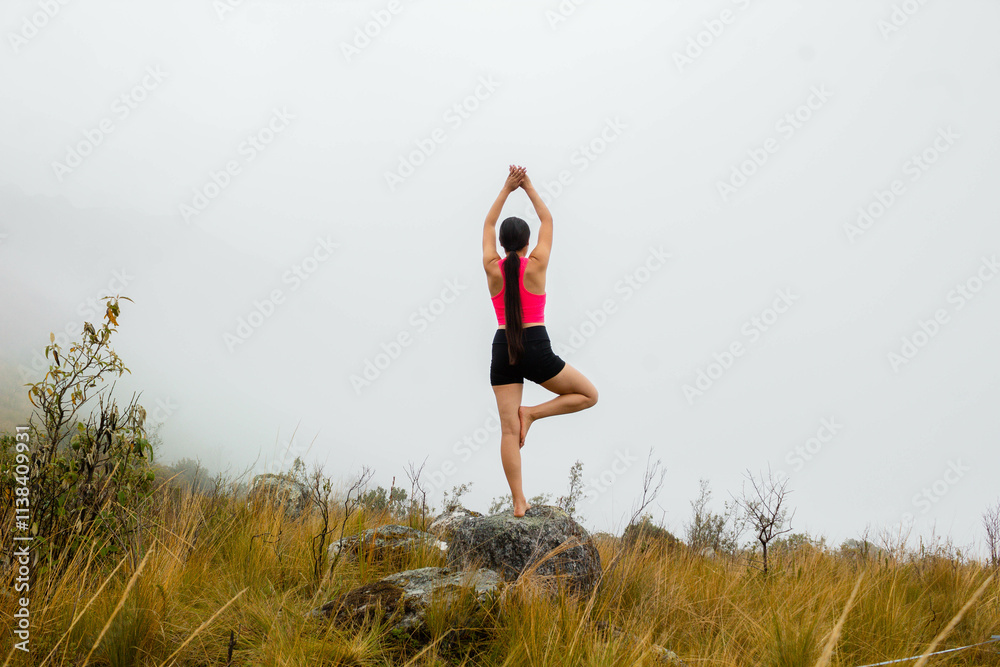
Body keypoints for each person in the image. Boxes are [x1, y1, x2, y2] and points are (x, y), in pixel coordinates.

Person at [482, 164, 599, 517]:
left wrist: (506, 189)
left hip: (502, 346)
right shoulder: (537, 263)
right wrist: (527, 186)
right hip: (534, 344)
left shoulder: (491, 267)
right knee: (589, 395)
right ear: (527, 243)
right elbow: (548, 219)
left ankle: (519, 502)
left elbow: (488, 224)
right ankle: (532, 414)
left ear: (503, 244)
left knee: (507, 430)